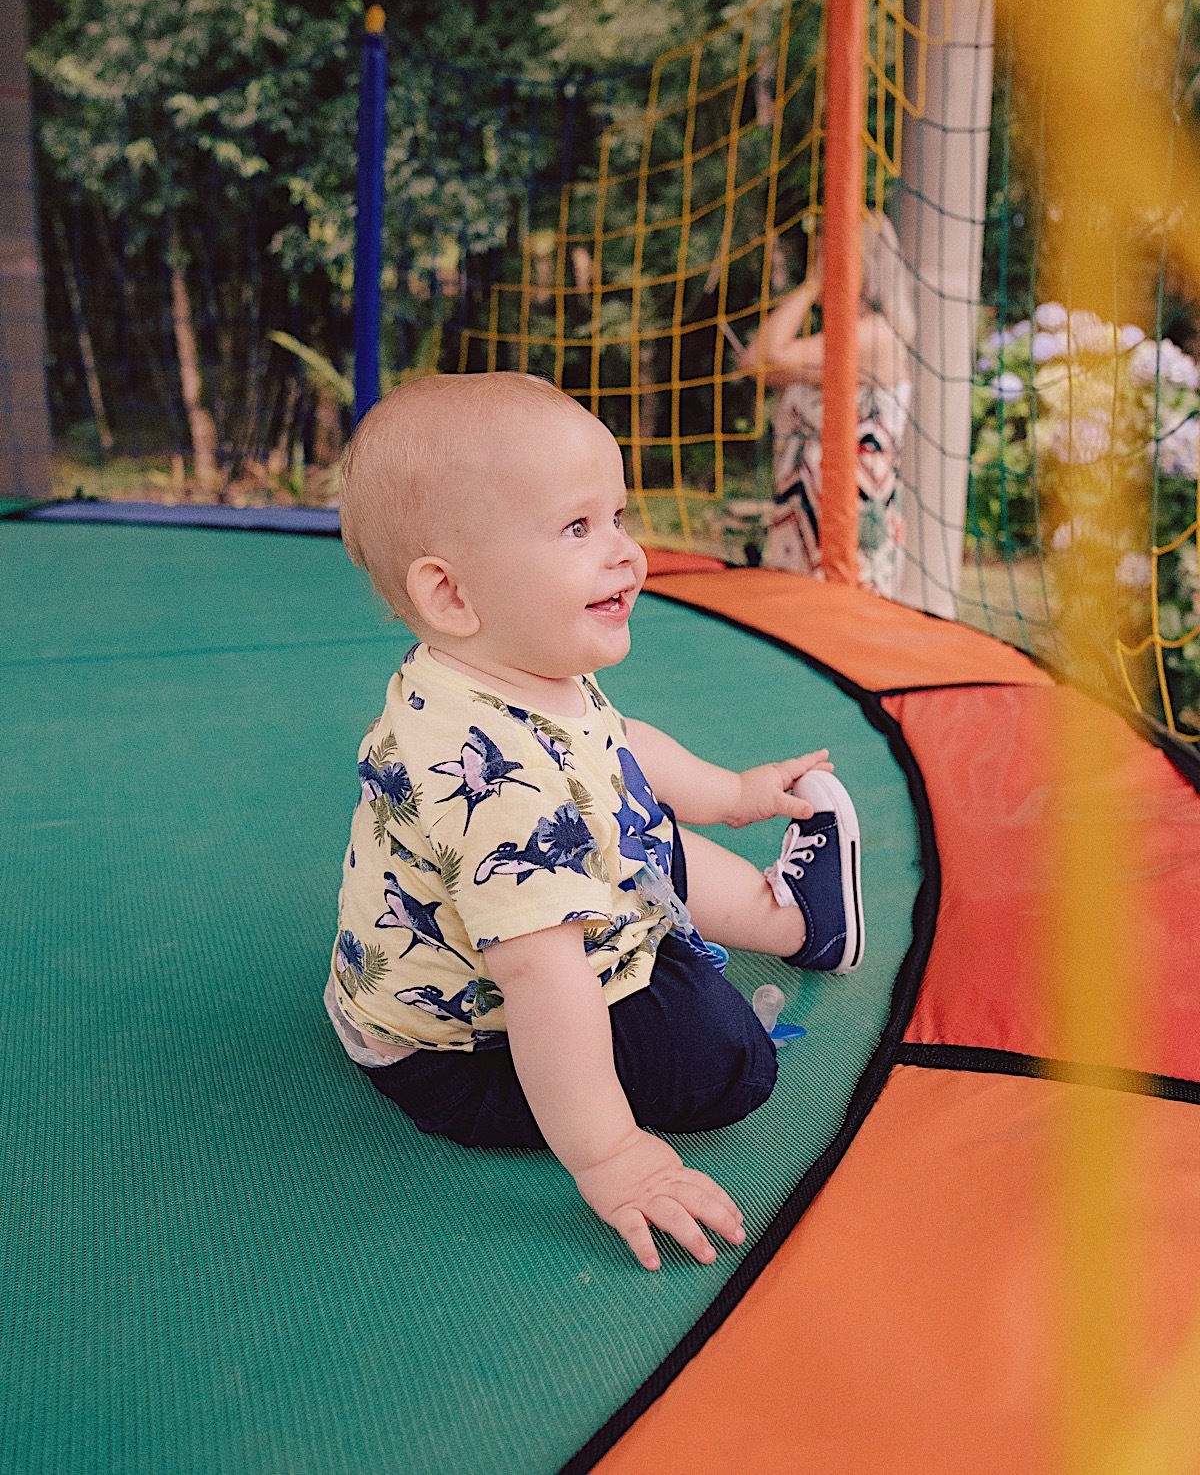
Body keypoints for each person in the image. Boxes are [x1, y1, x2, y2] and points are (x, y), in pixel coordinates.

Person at [329, 371, 865, 1273]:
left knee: (635, 828)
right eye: (579, 528)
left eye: (616, 517)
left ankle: (800, 922)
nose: (625, 552)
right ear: (452, 594)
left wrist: (733, 793)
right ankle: (760, 940)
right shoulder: (490, 782)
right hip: (464, 1052)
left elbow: (614, 745)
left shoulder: (501, 661)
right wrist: (612, 1154)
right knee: (727, 1059)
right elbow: (543, 983)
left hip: (500, 948)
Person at [741, 213, 914, 598]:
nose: (818, 261)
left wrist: (813, 283)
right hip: (802, 517)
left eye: (828, 253)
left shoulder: (876, 336)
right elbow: (758, 363)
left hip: (847, 523)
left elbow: (764, 356)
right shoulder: (833, 340)